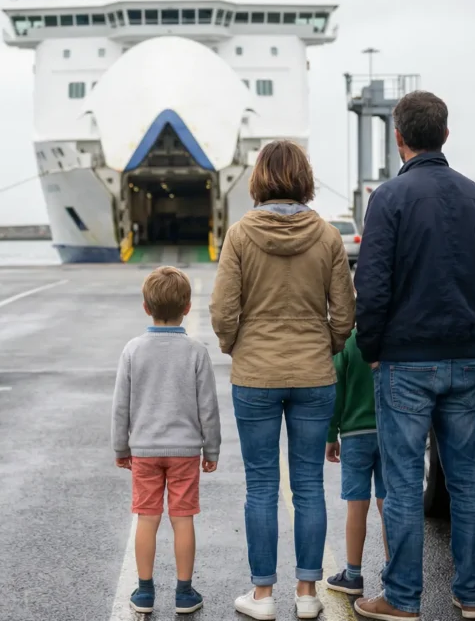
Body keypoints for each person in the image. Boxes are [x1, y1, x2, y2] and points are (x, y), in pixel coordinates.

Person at [352, 91, 475, 621]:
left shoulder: (389, 199)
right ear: (445, 134)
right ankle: (471, 597)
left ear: (399, 138)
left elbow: (371, 289)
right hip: (462, 359)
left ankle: (401, 599)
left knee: (401, 484)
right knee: (467, 483)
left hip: (403, 362)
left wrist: (372, 349)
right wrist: (471, 337)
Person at [209, 140, 355, 621]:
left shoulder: (240, 234)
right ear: (304, 178)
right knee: (310, 485)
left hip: (256, 375)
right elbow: (345, 312)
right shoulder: (329, 236)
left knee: (262, 486)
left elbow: (223, 309)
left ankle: (264, 595)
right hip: (314, 374)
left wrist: (237, 347)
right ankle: (309, 593)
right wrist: (326, 346)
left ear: (260, 179)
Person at [111, 266, 221, 616]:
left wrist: (120, 446)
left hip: (144, 450)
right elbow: (208, 406)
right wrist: (212, 447)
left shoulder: (132, 349)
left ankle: (144, 591)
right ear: (188, 307)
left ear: (146, 307)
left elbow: (121, 405)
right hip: (185, 451)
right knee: (183, 518)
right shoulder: (196, 351)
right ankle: (184, 592)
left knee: (147, 517)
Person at [323, 327, 388, 597]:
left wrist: (331, 434)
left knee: (357, 505)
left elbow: (336, 388)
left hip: (354, 432)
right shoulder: (394, 333)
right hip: (390, 431)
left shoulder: (349, 338)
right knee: (389, 502)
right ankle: (392, 571)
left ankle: (352, 575)